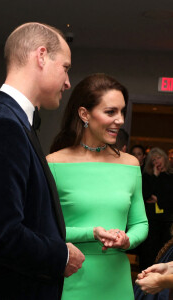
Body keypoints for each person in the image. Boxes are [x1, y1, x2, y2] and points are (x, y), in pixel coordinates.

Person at [0, 22, 85, 300]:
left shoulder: (12, 122)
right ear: (41, 56)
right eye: (65, 67)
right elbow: (0, 236)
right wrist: (61, 255)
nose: (67, 82)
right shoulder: (3, 126)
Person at [47, 73, 148, 300]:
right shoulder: (53, 164)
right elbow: (44, 228)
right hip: (71, 276)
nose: (120, 120)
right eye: (111, 112)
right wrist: (92, 233)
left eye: (122, 111)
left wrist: (127, 239)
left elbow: (140, 223)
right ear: (84, 114)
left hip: (117, 281)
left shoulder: (130, 164)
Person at [138, 147, 173, 271]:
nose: (156, 161)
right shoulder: (148, 176)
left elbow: (170, 197)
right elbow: (146, 193)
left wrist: (159, 199)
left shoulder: (170, 175)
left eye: (158, 158)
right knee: (149, 249)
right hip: (151, 218)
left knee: (164, 249)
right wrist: (155, 175)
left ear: (164, 158)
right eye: (153, 160)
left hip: (167, 219)